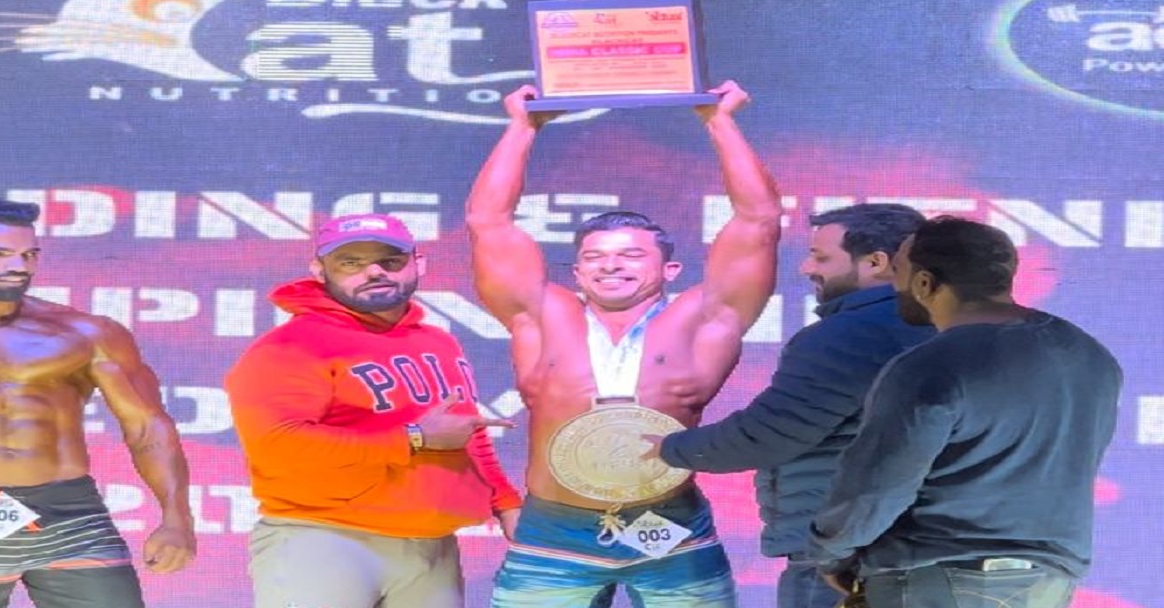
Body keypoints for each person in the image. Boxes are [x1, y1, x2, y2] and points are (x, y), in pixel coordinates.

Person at [467, 81, 782, 608]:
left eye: (631, 255)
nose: (610, 265)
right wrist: (522, 128)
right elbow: (488, 223)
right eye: (594, 257)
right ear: (577, 272)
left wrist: (719, 121)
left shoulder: (702, 319)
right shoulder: (542, 315)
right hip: (554, 531)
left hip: (670, 528)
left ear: (670, 269)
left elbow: (760, 221)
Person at [0, 197, 195, 608]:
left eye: (29, 254)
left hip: (72, 515)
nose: (20, 265)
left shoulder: (86, 333)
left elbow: (147, 426)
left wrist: (177, 518)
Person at [808, 216, 1122, 608]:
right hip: (1049, 583)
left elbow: (874, 488)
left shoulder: (929, 367)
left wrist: (832, 553)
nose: (893, 284)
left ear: (925, 283)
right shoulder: (1090, 356)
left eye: (899, 272)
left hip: (937, 578)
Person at [224, 212, 523, 608]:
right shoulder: (290, 346)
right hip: (324, 539)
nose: (374, 272)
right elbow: (277, 445)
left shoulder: (438, 342)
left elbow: (467, 432)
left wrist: (506, 503)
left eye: (390, 261)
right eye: (351, 263)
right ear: (319, 270)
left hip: (432, 547)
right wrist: (414, 438)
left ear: (418, 264)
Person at [647, 203, 934, 608]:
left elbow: (770, 434)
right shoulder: (948, 326)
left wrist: (668, 448)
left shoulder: (850, 334)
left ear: (876, 263)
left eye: (821, 257)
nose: (806, 268)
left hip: (846, 556)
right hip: (925, 549)